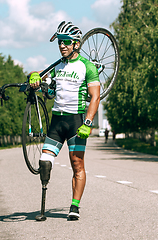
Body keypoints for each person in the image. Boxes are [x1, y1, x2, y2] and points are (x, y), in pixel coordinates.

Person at [28, 21, 100, 220]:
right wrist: (36, 79)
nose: (62, 46)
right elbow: (48, 89)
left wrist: (88, 122)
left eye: (66, 42)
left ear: (76, 44)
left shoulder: (87, 67)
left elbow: (95, 97)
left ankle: (74, 206)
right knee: (44, 161)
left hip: (76, 122)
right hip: (57, 122)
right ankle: (44, 194)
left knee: (77, 165)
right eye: (60, 42)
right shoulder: (56, 67)